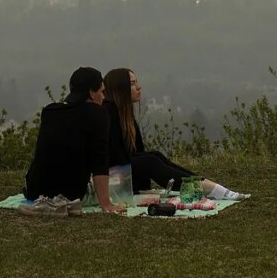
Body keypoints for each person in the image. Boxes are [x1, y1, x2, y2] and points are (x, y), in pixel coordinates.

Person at [103, 68, 248, 200]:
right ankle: (207, 189)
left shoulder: (125, 115)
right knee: (150, 160)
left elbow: (137, 152)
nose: (138, 87)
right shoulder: (109, 113)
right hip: (110, 179)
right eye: (132, 83)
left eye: (137, 82)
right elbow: (116, 158)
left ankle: (205, 185)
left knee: (155, 155)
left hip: (122, 174)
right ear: (120, 88)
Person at [23, 67, 124, 214]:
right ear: (91, 93)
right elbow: (99, 159)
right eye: (102, 92)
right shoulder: (98, 114)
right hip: (71, 192)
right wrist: (106, 204)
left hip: (35, 189)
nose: (104, 97)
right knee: (118, 185)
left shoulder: (50, 111)